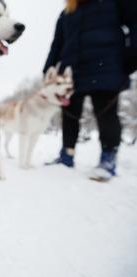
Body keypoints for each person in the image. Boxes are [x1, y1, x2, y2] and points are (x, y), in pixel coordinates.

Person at [44, 0, 137, 181]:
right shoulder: (67, 13)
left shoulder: (114, 4)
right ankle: (67, 155)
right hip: (72, 71)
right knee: (70, 113)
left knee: (105, 112)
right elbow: (57, 43)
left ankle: (108, 159)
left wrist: (132, 56)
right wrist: (48, 68)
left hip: (107, 66)